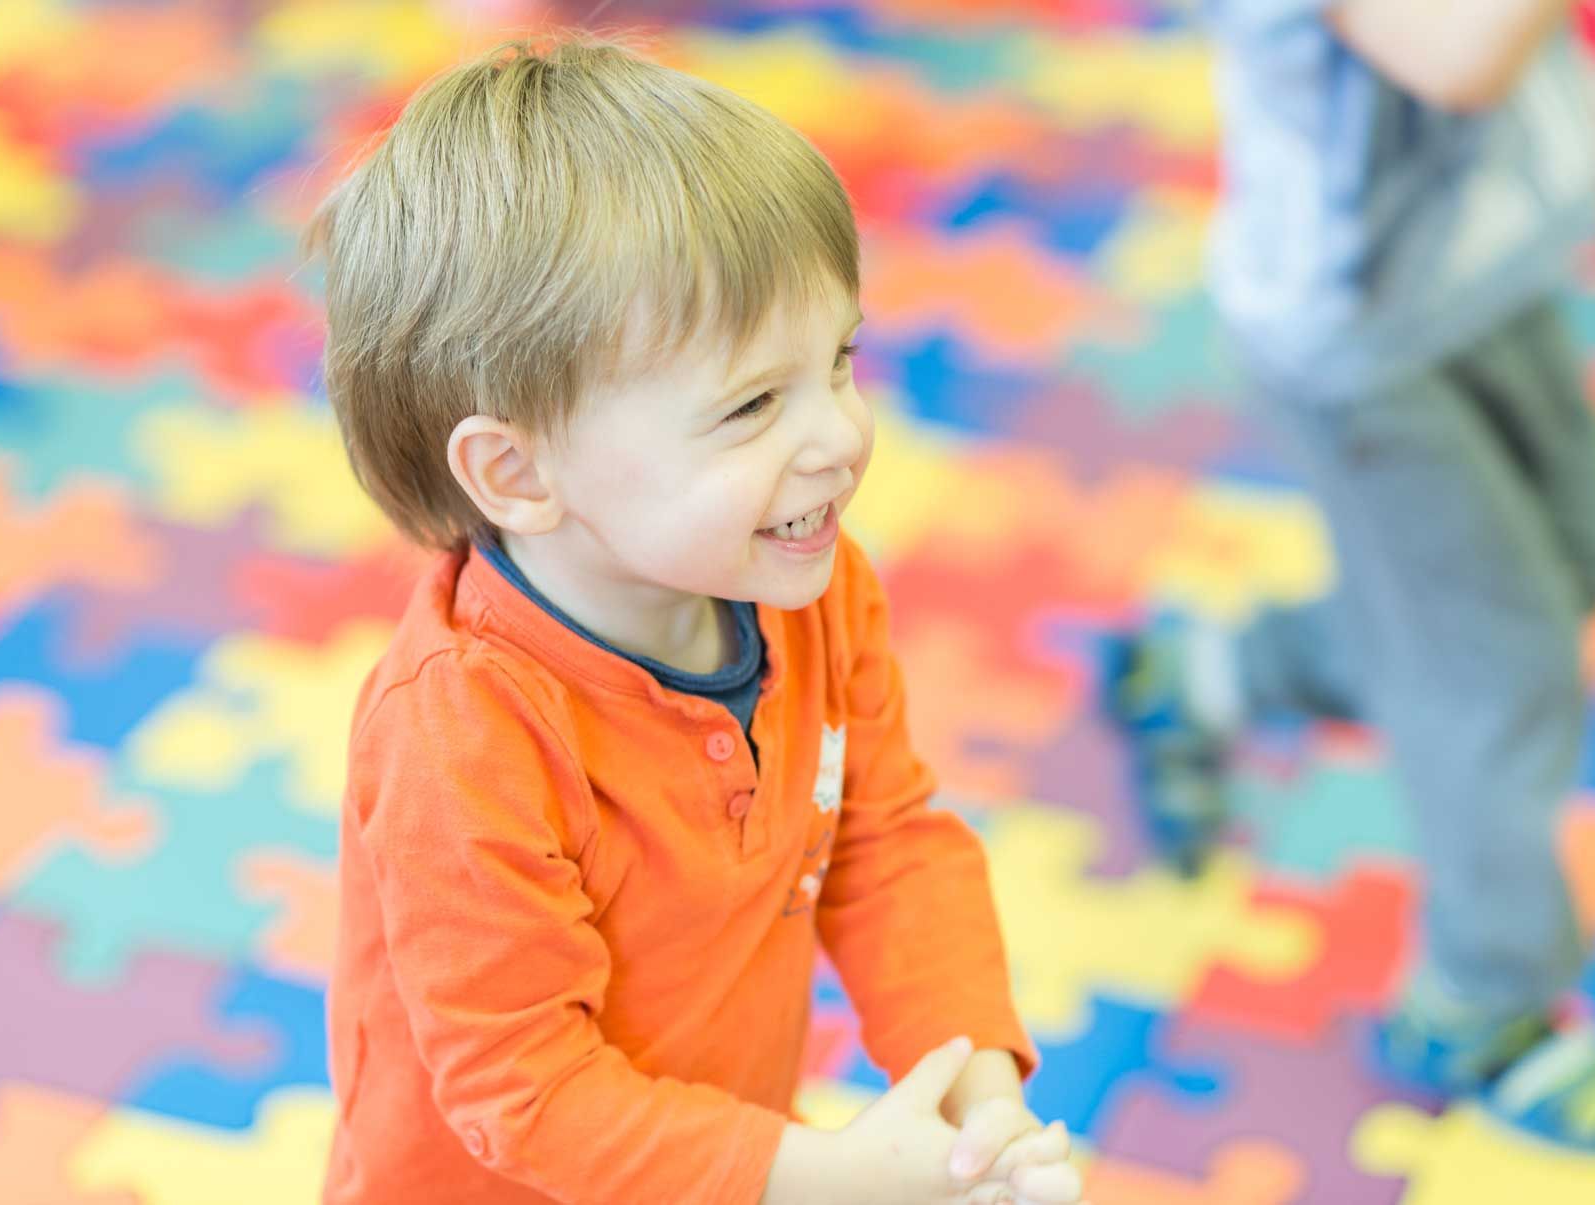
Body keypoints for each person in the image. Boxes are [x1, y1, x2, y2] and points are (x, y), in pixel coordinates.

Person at [308, 35, 1083, 1204]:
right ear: (516, 473)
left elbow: (886, 843)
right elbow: (528, 1092)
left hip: (733, 1157)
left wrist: (976, 1094)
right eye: (753, 404)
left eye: (838, 360)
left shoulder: (814, 591)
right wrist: (820, 1176)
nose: (839, 434)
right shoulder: (461, 738)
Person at [1102, 0, 1595, 1149]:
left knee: (1559, 570)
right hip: (1357, 344)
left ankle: (1209, 669)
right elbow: (1452, 55)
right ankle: (1479, 1000)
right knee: (1499, 671)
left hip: (1482, 274)